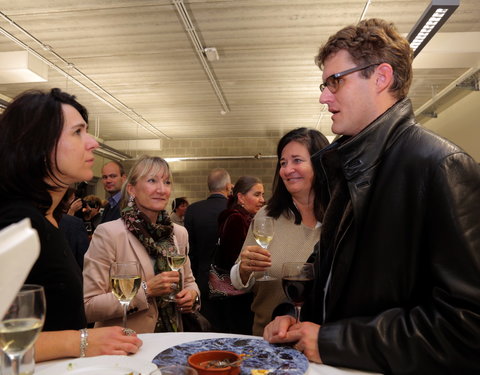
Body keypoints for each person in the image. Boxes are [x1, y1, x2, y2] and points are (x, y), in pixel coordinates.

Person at [263, 19, 480, 375]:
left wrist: (334, 342)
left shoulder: (441, 166)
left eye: (336, 81)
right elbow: (329, 278)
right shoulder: (350, 169)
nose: (323, 95)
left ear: (381, 77)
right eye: (324, 83)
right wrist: (292, 315)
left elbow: (468, 326)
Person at [0, 88, 142, 362]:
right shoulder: (15, 221)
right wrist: (82, 340)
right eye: (77, 132)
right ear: (38, 145)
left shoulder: (49, 219)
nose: (92, 143)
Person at [83, 155, 200, 333]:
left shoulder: (178, 233)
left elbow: (190, 281)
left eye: (167, 182)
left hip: (171, 341)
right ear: (132, 189)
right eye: (152, 181)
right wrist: (146, 290)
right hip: (127, 344)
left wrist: (192, 295)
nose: (162, 189)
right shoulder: (109, 234)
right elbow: (88, 306)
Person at [230, 128, 329, 335]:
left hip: (321, 342)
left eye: (297, 160)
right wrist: (244, 269)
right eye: (283, 163)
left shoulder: (340, 218)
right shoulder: (267, 215)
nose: (287, 169)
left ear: (320, 164)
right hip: (267, 338)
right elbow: (238, 281)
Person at [213, 176, 265, 334]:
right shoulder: (236, 218)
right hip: (236, 294)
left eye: (263, 195)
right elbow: (232, 259)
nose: (262, 200)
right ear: (241, 197)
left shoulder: (245, 217)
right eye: (257, 195)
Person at [184, 168, 232, 325]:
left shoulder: (193, 210)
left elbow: (189, 250)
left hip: (201, 280)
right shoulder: (234, 209)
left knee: (206, 326)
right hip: (231, 282)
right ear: (228, 187)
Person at [58, 187, 90, 269]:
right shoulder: (73, 222)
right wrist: (71, 211)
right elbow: (83, 258)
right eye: (73, 198)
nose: (77, 202)